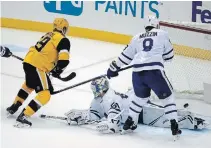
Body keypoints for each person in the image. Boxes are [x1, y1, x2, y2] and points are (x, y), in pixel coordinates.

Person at [106, 15, 181, 138]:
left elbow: (125, 56)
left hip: (137, 73)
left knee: (140, 99)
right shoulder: (163, 34)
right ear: (157, 25)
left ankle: (129, 122)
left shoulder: (136, 37)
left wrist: (113, 68)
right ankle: (174, 126)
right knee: (168, 98)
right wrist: (158, 55)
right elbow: (169, 56)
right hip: (154, 72)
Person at [65, 77, 209, 134]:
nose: (96, 92)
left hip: (141, 111)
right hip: (136, 108)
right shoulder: (97, 100)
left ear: (104, 88)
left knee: (165, 120)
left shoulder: (110, 98)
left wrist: (109, 124)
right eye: (94, 90)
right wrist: (81, 116)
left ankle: (193, 122)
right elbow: (94, 115)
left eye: (98, 89)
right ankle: (187, 117)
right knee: (165, 114)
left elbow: (113, 122)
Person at [1, 18, 71, 128]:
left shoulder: (48, 35)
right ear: (64, 28)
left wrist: (53, 71)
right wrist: (57, 71)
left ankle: (14, 106)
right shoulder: (63, 40)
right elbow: (64, 61)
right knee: (45, 94)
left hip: (28, 62)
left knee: (30, 84)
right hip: (38, 67)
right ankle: (24, 116)